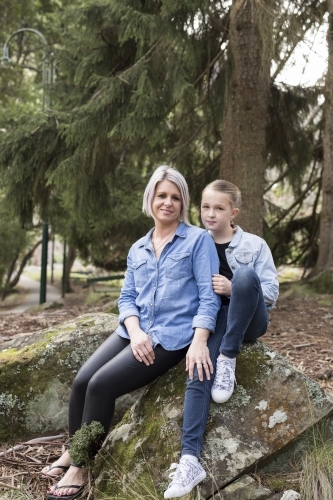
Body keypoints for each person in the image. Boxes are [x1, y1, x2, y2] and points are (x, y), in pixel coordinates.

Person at [41, 165, 221, 500]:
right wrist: (135, 331)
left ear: (183, 203)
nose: (167, 202)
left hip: (171, 337)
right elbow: (127, 297)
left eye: (175, 197)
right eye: (161, 195)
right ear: (150, 198)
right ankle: (72, 448)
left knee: (101, 385)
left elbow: (209, 297)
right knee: (82, 381)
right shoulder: (138, 247)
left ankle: (80, 467)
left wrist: (199, 341)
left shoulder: (198, 241)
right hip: (135, 331)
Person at [164, 179, 279, 499]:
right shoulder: (192, 243)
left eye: (219, 208)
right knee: (198, 367)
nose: (210, 214)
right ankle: (189, 460)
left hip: (248, 321)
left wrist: (232, 288)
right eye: (205, 207)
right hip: (212, 322)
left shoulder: (254, 245)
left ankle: (229, 356)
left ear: (234, 213)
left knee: (244, 276)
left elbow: (270, 293)